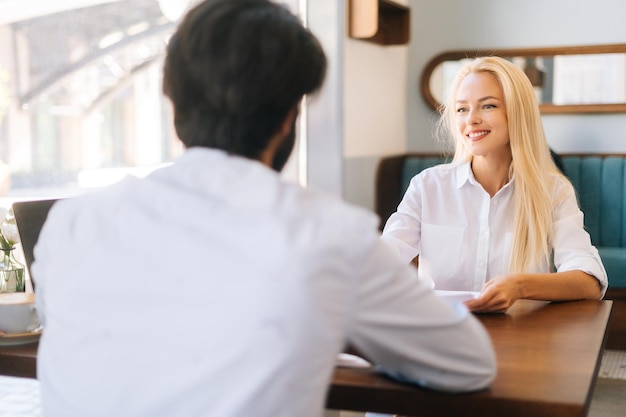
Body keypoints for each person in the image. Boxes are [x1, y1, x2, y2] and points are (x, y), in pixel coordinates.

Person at [32, 1, 496, 416]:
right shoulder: (325, 233)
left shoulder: (72, 222)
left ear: (174, 103)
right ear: (288, 118)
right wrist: (339, 318)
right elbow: (469, 364)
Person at [381, 56, 607, 314]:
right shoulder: (427, 186)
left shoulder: (553, 191)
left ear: (517, 113)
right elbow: (384, 258)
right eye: (462, 109)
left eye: (487, 106)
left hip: (522, 337)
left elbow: (589, 282)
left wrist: (519, 285)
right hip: (440, 333)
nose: (471, 119)